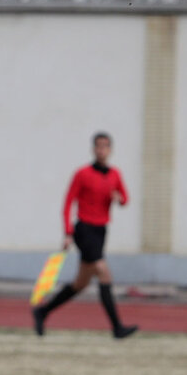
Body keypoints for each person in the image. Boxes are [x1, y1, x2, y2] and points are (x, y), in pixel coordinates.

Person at [33, 131, 138, 339]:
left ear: (110, 150)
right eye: (98, 146)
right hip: (84, 229)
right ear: (93, 149)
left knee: (80, 283)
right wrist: (68, 233)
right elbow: (68, 202)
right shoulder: (82, 174)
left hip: (101, 231)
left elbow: (125, 199)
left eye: (105, 146)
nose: (102, 150)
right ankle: (117, 328)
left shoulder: (115, 174)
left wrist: (119, 199)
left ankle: (42, 311)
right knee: (102, 270)